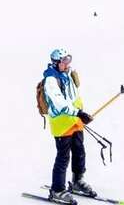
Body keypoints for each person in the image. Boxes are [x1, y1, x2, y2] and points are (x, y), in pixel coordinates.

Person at [42, 48, 97, 203]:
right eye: (64, 61)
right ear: (57, 62)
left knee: (80, 151)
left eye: (68, 60)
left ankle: (78, 181)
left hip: (74, 121)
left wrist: (80, 113)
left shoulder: (68, 75)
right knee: (63, 157)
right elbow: (59, 103)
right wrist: (78, 113)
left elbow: (73, 96)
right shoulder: (51, 80)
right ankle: (57, 190)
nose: (67, 64)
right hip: (62, 123)